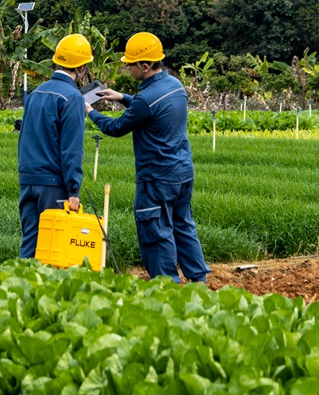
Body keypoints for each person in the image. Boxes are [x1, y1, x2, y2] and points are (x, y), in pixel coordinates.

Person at [85, 32, 210, 283]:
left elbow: (116, 128)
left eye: (129, 65)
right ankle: (199, 281)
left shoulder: (146, 99)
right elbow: (149, 108)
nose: (127, 69)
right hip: (183, 173)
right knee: (183, 226)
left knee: (156, 232)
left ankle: (167, 288)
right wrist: (121, 98)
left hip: (157, 178)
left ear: (144, 66)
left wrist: (89, 111)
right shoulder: (175, 85)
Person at [16, 33, 91, 258]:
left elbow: (24, 138)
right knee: (53, 248)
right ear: (81, 68)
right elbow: (71, 149)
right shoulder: (72, 97)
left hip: (28, 179)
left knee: (30, 244)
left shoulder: (36, 93)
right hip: (53, 184)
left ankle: (20, 289)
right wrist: (73, 189)